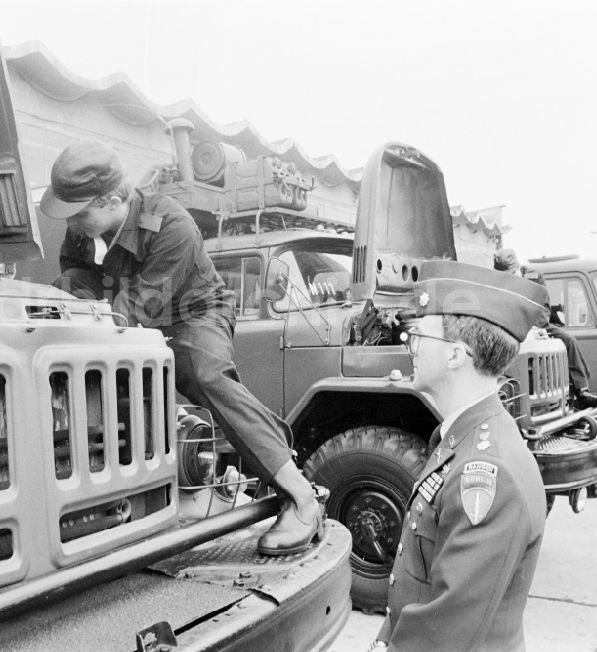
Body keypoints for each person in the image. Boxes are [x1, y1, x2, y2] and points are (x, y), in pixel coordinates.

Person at [38, 139, 323, 553]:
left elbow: (135, 311)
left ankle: (301, 497)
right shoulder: (84, 227)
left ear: (114, 198)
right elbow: (74, 276)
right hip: (127, 307)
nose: (75, 222)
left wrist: (91, 316)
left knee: (201, 372)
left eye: (81, 212)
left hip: (195, 312)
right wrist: (65, 305)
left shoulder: (173, 226)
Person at [370, 260, 548, 651]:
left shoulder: (488, 470)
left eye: (418, 336)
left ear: (455, 356)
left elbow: (445, 632)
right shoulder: (460, 439)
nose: (408, 346)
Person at [494, 248, 597, 409]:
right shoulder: (495, 282)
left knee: (569, 341)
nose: (510, 278)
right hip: (510, 326)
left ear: (518, 268)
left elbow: (543, 307)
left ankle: (582, 392)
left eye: (512, 273)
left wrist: (534, 329)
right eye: (506, 275)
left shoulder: (534, 277)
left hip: (536, 325)